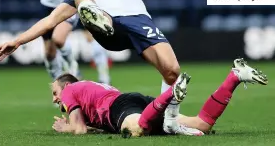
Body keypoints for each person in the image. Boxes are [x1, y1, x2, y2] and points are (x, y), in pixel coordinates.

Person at [0, 0, 197, 133]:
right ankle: (96, 18)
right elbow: (51, 20)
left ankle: (170, 121)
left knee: (172, 72)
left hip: (139, 22)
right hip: (110, 28)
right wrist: (18, 41)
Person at [51, 58, 268, 137]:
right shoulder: (90, 88)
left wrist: (66, 127)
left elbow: (78, 130)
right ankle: (235, 76)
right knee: (201, 125)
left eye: (55, 93)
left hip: (120, 107)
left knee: (136, 130)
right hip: (136, 104)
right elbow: (93, 125)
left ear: (66, 86)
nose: (55, 99)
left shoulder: (71, 89)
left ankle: (171, 96)